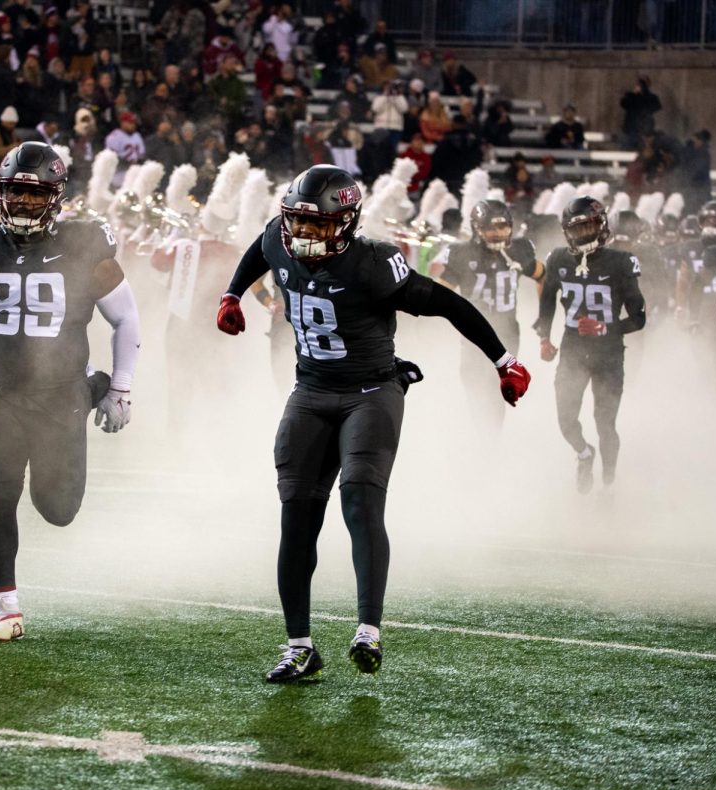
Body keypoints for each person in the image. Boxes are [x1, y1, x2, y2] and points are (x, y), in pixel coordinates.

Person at [215, 165, 531, 682]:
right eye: (298, 223)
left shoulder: (374, 265)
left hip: (371, 392)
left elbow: (448, 303)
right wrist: (231, 293)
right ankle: (299, 646)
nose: (305, 234)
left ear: (345, 222)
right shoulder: (280, 237)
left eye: (318, 226)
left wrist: (502, 360)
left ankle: (368, 629)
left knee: (360, 501)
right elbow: (261, 246)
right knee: (296, 517)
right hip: (310, 392)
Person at [0, 142, 141, 640]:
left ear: (55, 196)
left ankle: (94, 386)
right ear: (0, 193)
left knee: (58, 509)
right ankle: (8, 611)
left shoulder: (86, 244)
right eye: (15, 192)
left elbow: (125, 318)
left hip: (61, 391)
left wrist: (121, 388)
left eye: (34, 193)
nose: (23, 203)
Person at [536, 197, 646, 493]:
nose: (585, 233)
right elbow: (547, 300)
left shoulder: (621, 262)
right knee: (565, 418)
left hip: (609, 354)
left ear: (603, 225)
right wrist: (544, 336)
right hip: (572, 350)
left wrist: (604, 328)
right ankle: (585, 454)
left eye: (590, 225)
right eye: (578, 227)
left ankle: (608, 480)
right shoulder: (558, 258)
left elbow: (639, 318)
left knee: (605, 422)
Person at [433, 200, 544, 428]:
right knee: (473, 384)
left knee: (496, 389)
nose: (497, 233)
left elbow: (543, 275)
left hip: (507, 333)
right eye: (490, 228)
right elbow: (440, 294)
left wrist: (545, 313)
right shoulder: (463, 253)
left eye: (502, 227)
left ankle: (490, 440)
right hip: (472, 331)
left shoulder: (518, 251)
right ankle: (482, 431)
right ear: (476, 228)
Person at [619, 76, 660, 150]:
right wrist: (634, 94)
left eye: (643, 84)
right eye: (640, 84)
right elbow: (624, 104)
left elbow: (656, 107)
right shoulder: (632, 96)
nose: (641, 86)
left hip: (644, 133)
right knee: (626, 152)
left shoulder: (651, 98)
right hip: (630, 131)